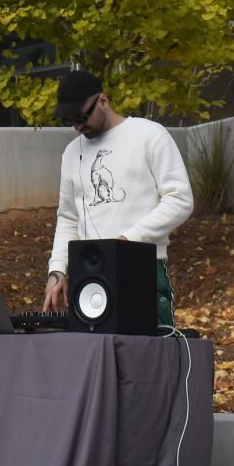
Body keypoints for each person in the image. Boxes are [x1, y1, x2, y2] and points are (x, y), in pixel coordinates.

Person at [41, 69, 194, 330]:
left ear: (103, 101)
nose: (77, 126)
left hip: (143, 267)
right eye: (69, 120)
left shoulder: (150, 135)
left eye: (80, 116)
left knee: (151, 361)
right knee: (97, 365)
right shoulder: (70, 153)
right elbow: (68, 217)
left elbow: (180, 200)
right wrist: (57, 270)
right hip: (88, 275)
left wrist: (127, 241)